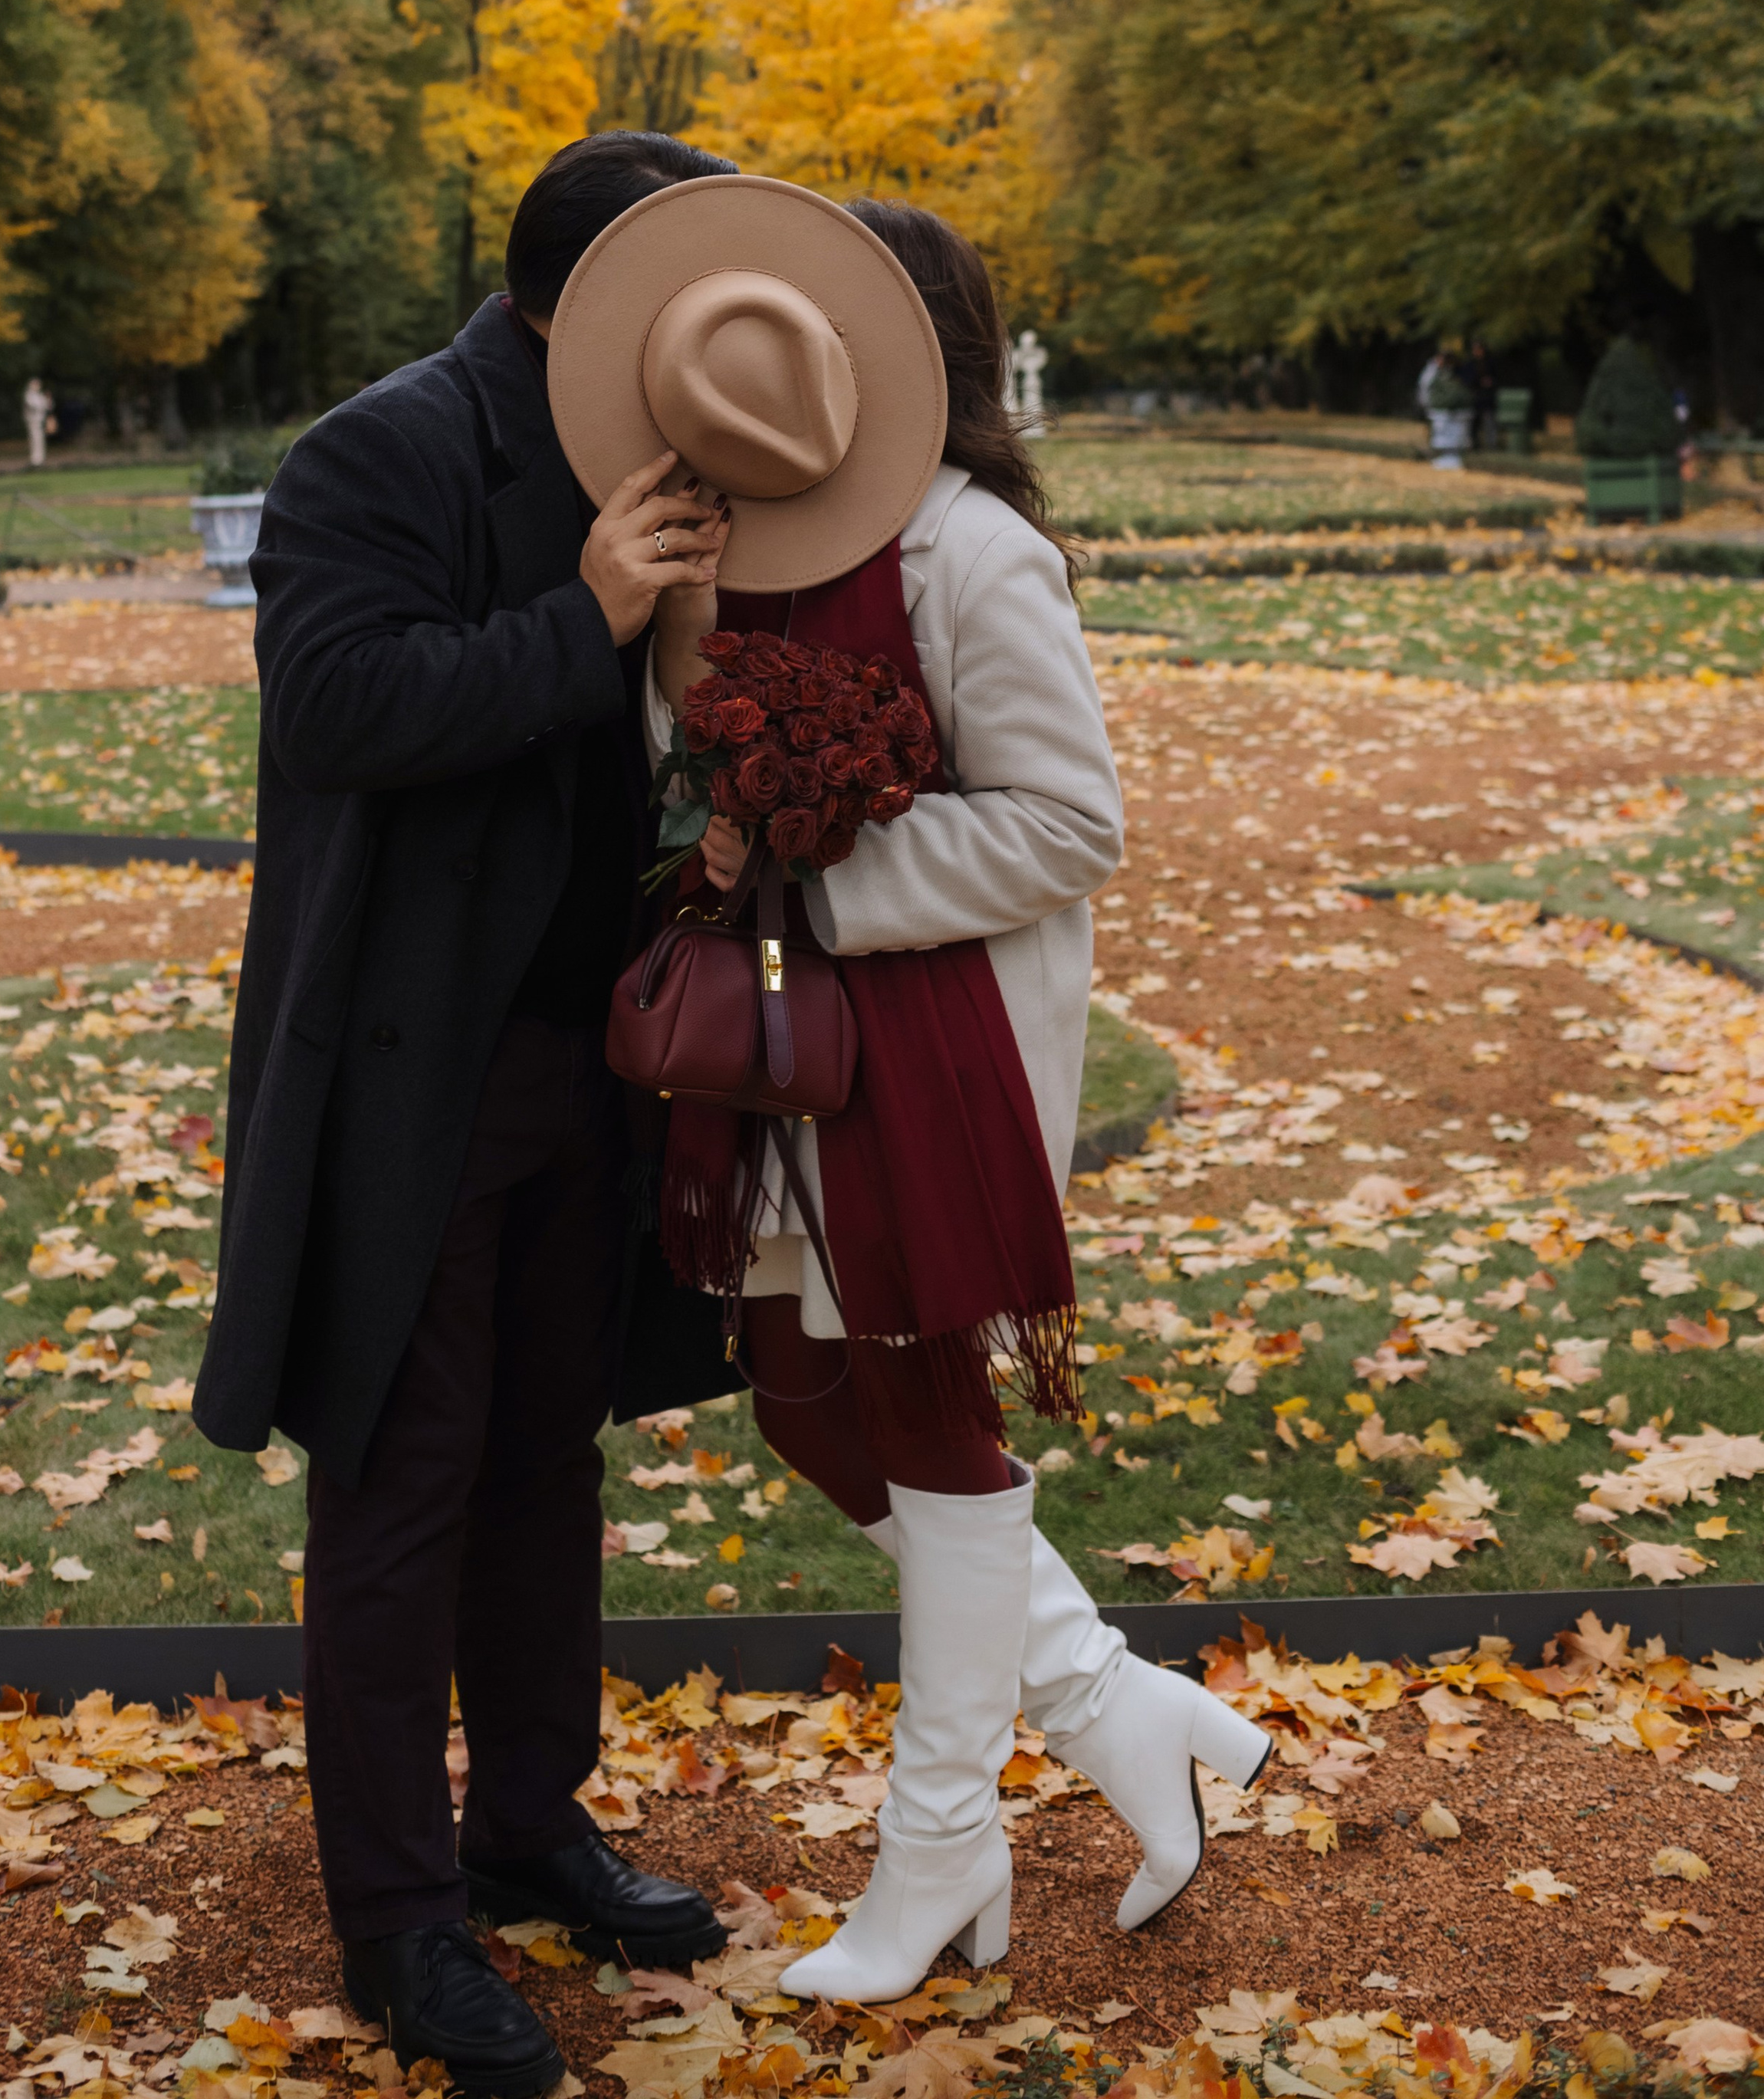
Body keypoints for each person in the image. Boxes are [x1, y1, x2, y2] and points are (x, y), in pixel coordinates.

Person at [546, 186, 1267, 2005]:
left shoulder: (967, 551)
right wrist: (683, 651)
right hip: (776, 1062)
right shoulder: (757, 537)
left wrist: (822, 874)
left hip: (928, 1065)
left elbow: (1068, 819)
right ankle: (1112, 1705)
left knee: (926, 1417)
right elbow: (672, 756)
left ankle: (939, 1841)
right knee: (801, 1407)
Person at [193, 132, 737, 2094]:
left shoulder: (666, 455)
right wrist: (581, 617)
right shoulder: (381, 451)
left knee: (540, 1465)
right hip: (421, 1075)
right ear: (588, 305)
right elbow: (335, 707)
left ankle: (527, 1822)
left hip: (594, 1067)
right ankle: (400, 1920)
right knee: (400, 1489)